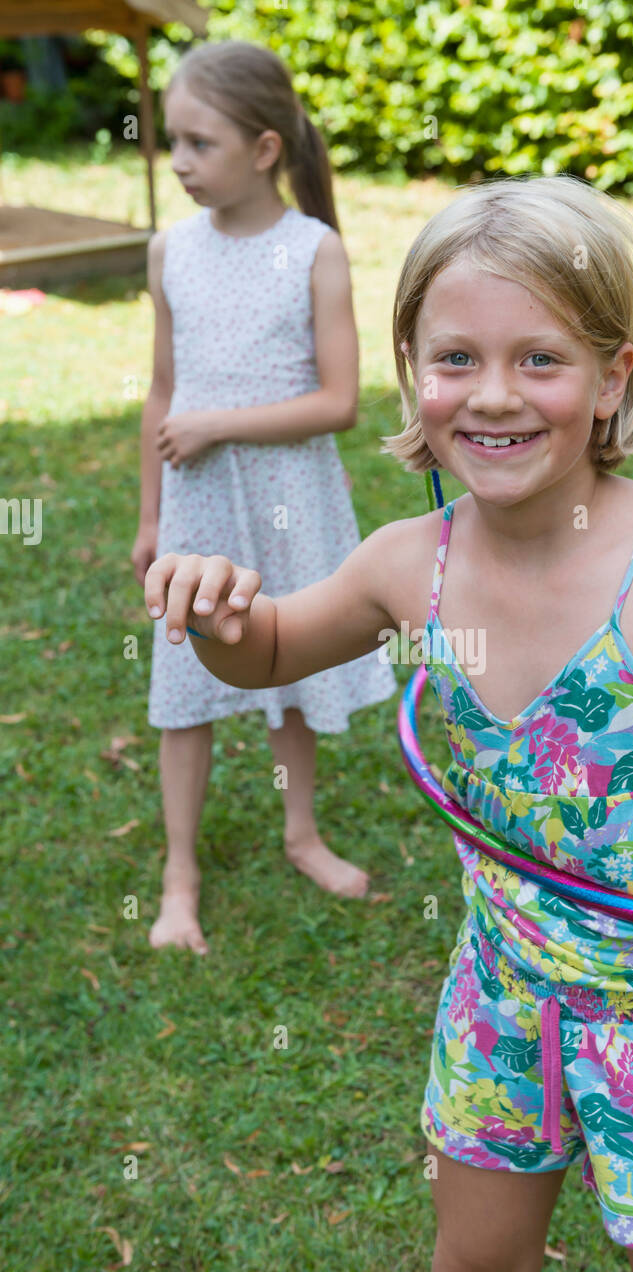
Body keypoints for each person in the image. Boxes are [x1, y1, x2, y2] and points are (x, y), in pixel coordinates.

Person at [143, 174, 633, 1272]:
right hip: (501, 994)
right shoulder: (405, 563)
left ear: (612, 376)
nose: (493, 396)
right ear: (411, 374)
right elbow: (273, 648)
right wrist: (221, 612)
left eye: (540, 359)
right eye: (455, 359)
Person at [131, 41, 396, 956]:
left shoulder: (314, 253)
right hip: (197, 505)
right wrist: (150, 517)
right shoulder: (171, 252)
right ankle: (179, 875)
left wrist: (221, 425)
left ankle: (301, 833)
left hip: (288, 494)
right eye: (175, 142)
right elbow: (163, 394)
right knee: (186, 683)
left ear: (265, 149)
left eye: (200, 144)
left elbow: (339, 402)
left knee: (282, 660)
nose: (180, 163)